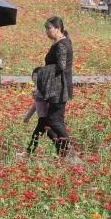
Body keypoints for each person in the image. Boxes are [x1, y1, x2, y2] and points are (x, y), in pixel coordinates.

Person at [29, 16, 73, 156]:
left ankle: (68, 148)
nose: (47, 32)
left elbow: (61, 66)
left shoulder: (61, 44)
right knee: (53, 121)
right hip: (56, 87)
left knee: (53, 120)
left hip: (59, 88)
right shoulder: (60, 42)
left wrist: (41, 72)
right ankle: (62, 151)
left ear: (58, 28)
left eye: (49, 28)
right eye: (46, 29)